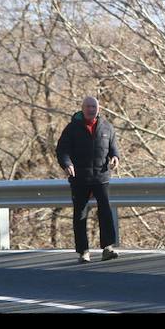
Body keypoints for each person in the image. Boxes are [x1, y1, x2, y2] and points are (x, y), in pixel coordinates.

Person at [56, 96, 121, 264]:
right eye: (89, 106)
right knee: (80, 214)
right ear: (82, 108)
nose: (92, 109)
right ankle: (83, 251)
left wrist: (115, 157)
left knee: (105, 211)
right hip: (80, 178)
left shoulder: (107, 127)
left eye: (94, 106)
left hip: (101, 176)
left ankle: (108, 248)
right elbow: (62, 150)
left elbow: (113, 148)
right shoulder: (72, 128)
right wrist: (67, 164)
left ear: (98, 108)